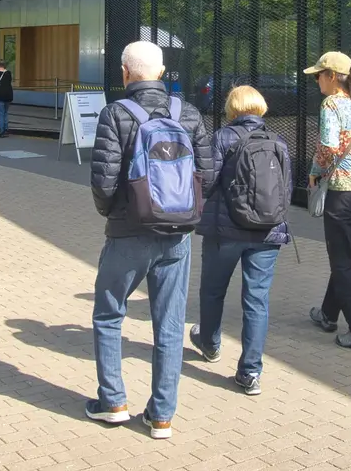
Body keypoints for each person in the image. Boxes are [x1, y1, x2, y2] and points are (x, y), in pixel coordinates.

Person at [88, 41, 213, 440]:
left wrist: (113, 214)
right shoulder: (189, 113)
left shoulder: (115, 113)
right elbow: (206, 176)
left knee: (109, 314)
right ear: (161, 73)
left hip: (128, 232)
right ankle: (161, 416)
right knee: (170, 324)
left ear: (125, 72)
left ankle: (113, 403)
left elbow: (103, 180)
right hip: (177, 235)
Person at [189, 85, 292, 396]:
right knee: (256, 301)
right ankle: (249, 372)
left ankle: (209, 344)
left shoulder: (221, 137)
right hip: (267, 232)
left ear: (232, 109)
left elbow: (205, 181)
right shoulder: (278, 141)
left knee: (212, 290)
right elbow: (286, 190)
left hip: (226, 231)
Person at [304, 51, 351, 351]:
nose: (317, 81)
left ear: (332, 76)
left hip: (342, 194)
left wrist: (314, 172)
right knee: (345, 258)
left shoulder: (331, 103)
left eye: (319, 75)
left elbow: (328, 146)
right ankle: (327, 313)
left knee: (342, 263)